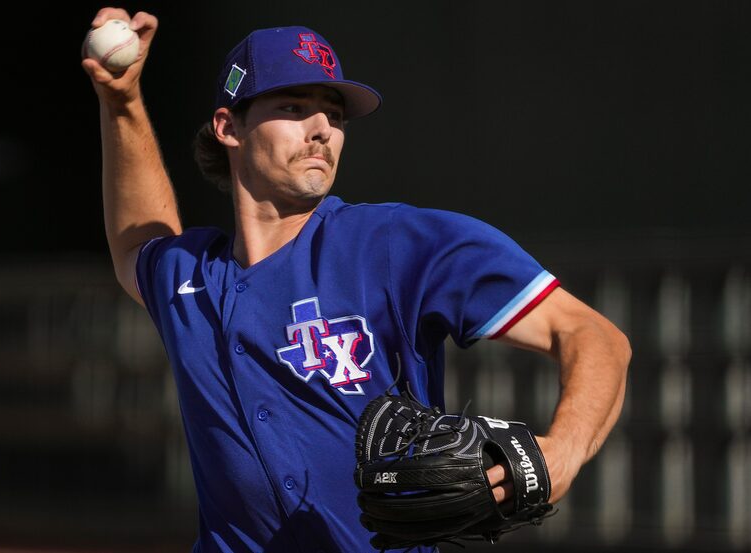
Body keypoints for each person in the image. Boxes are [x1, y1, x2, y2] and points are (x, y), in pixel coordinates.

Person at [82, 7, 631, 553]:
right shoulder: (191, 279)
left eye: (334, 114)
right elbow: (135, 242)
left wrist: (564, 449)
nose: (322, 128)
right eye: (294, 106)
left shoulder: (395, 243)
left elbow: (594, 336)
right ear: (229, 128)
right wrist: (122, 103)